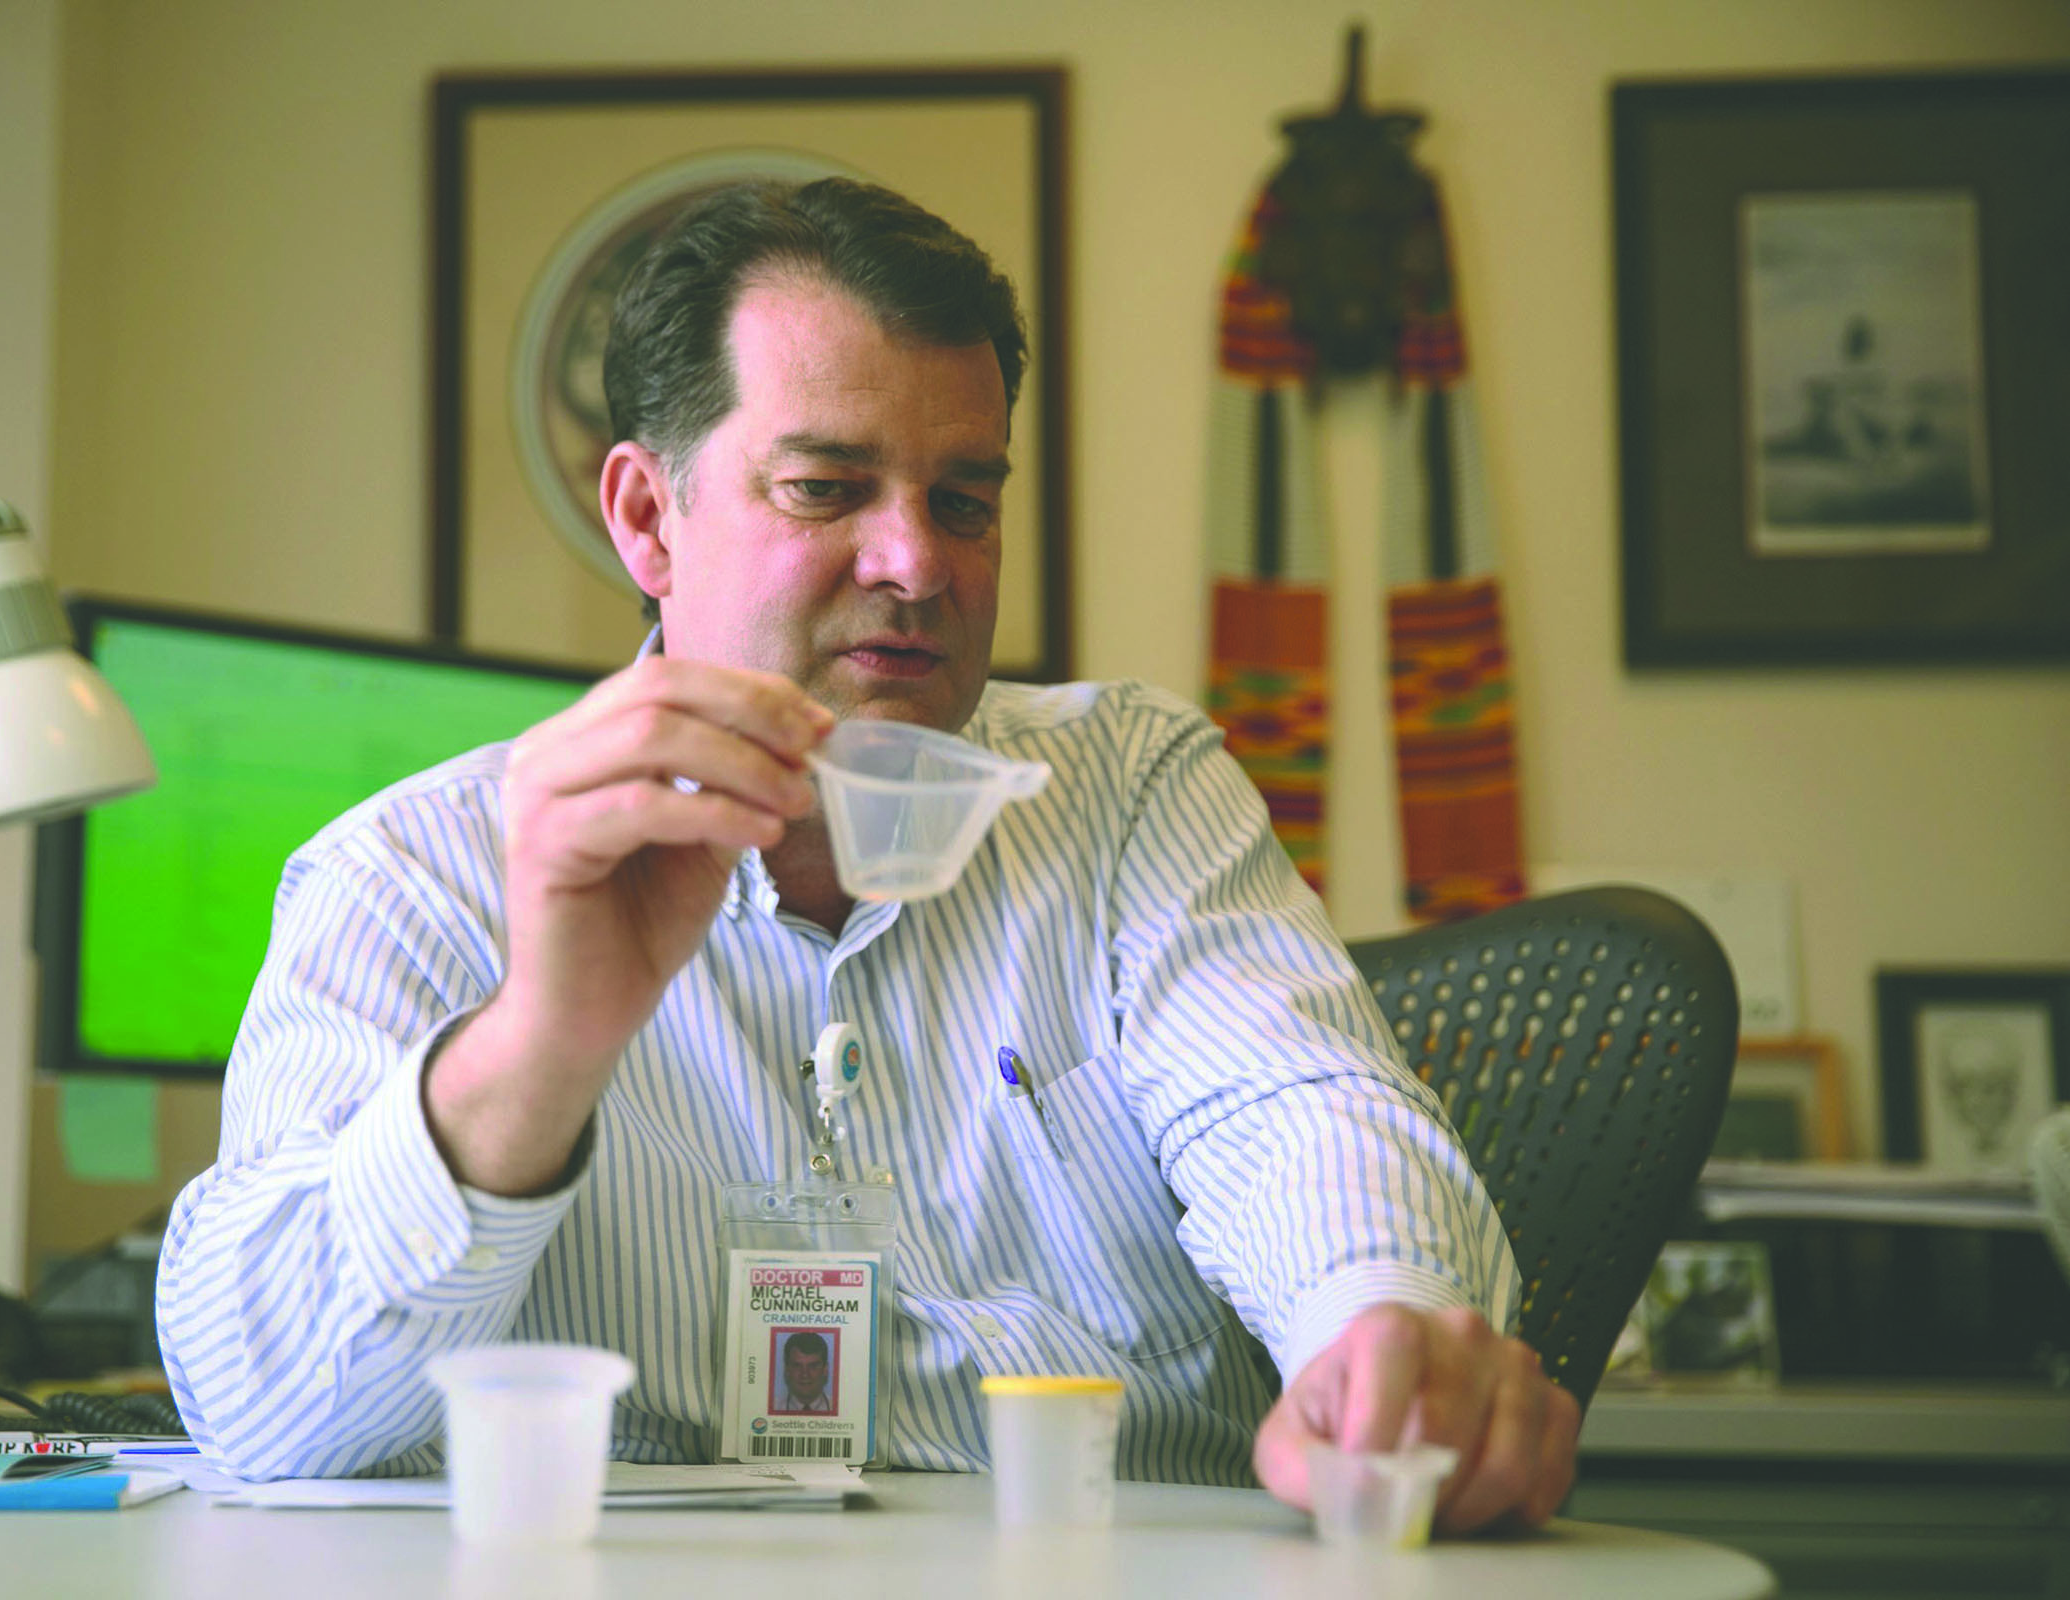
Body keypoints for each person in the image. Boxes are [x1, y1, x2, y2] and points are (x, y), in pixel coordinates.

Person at [155, 177, 1579, 1533]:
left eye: (964, 500)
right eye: (826, 487)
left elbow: (1300, 1110)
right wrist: (537, 1047)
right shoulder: (409, 873)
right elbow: (260, 1411)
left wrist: (1381, 1339)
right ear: (649, 519)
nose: (917, 562)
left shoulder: (1132, 788)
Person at [774, 1332, 835, 1415]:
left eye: (813, 1366)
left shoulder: (841, 1409)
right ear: (787, 1369)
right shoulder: (772, 1407)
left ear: (825, 1369)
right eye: (797, 1366)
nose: (805, 1374)